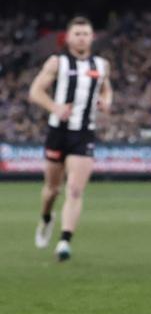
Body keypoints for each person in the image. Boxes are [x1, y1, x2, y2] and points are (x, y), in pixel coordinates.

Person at [28, 16, 113, 262]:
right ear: (68, 37)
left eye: (86, 34)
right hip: (59, 132)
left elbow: (107, 88)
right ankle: (46, 217)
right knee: (52, 190)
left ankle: (64, 242)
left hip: (84, 132)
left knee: (75, 189)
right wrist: (54, 107)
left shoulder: (101, 64)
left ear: (92, 37)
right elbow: (35, 91)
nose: (82, 38)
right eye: (77, 34)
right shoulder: (57, 62)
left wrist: (106, 102)